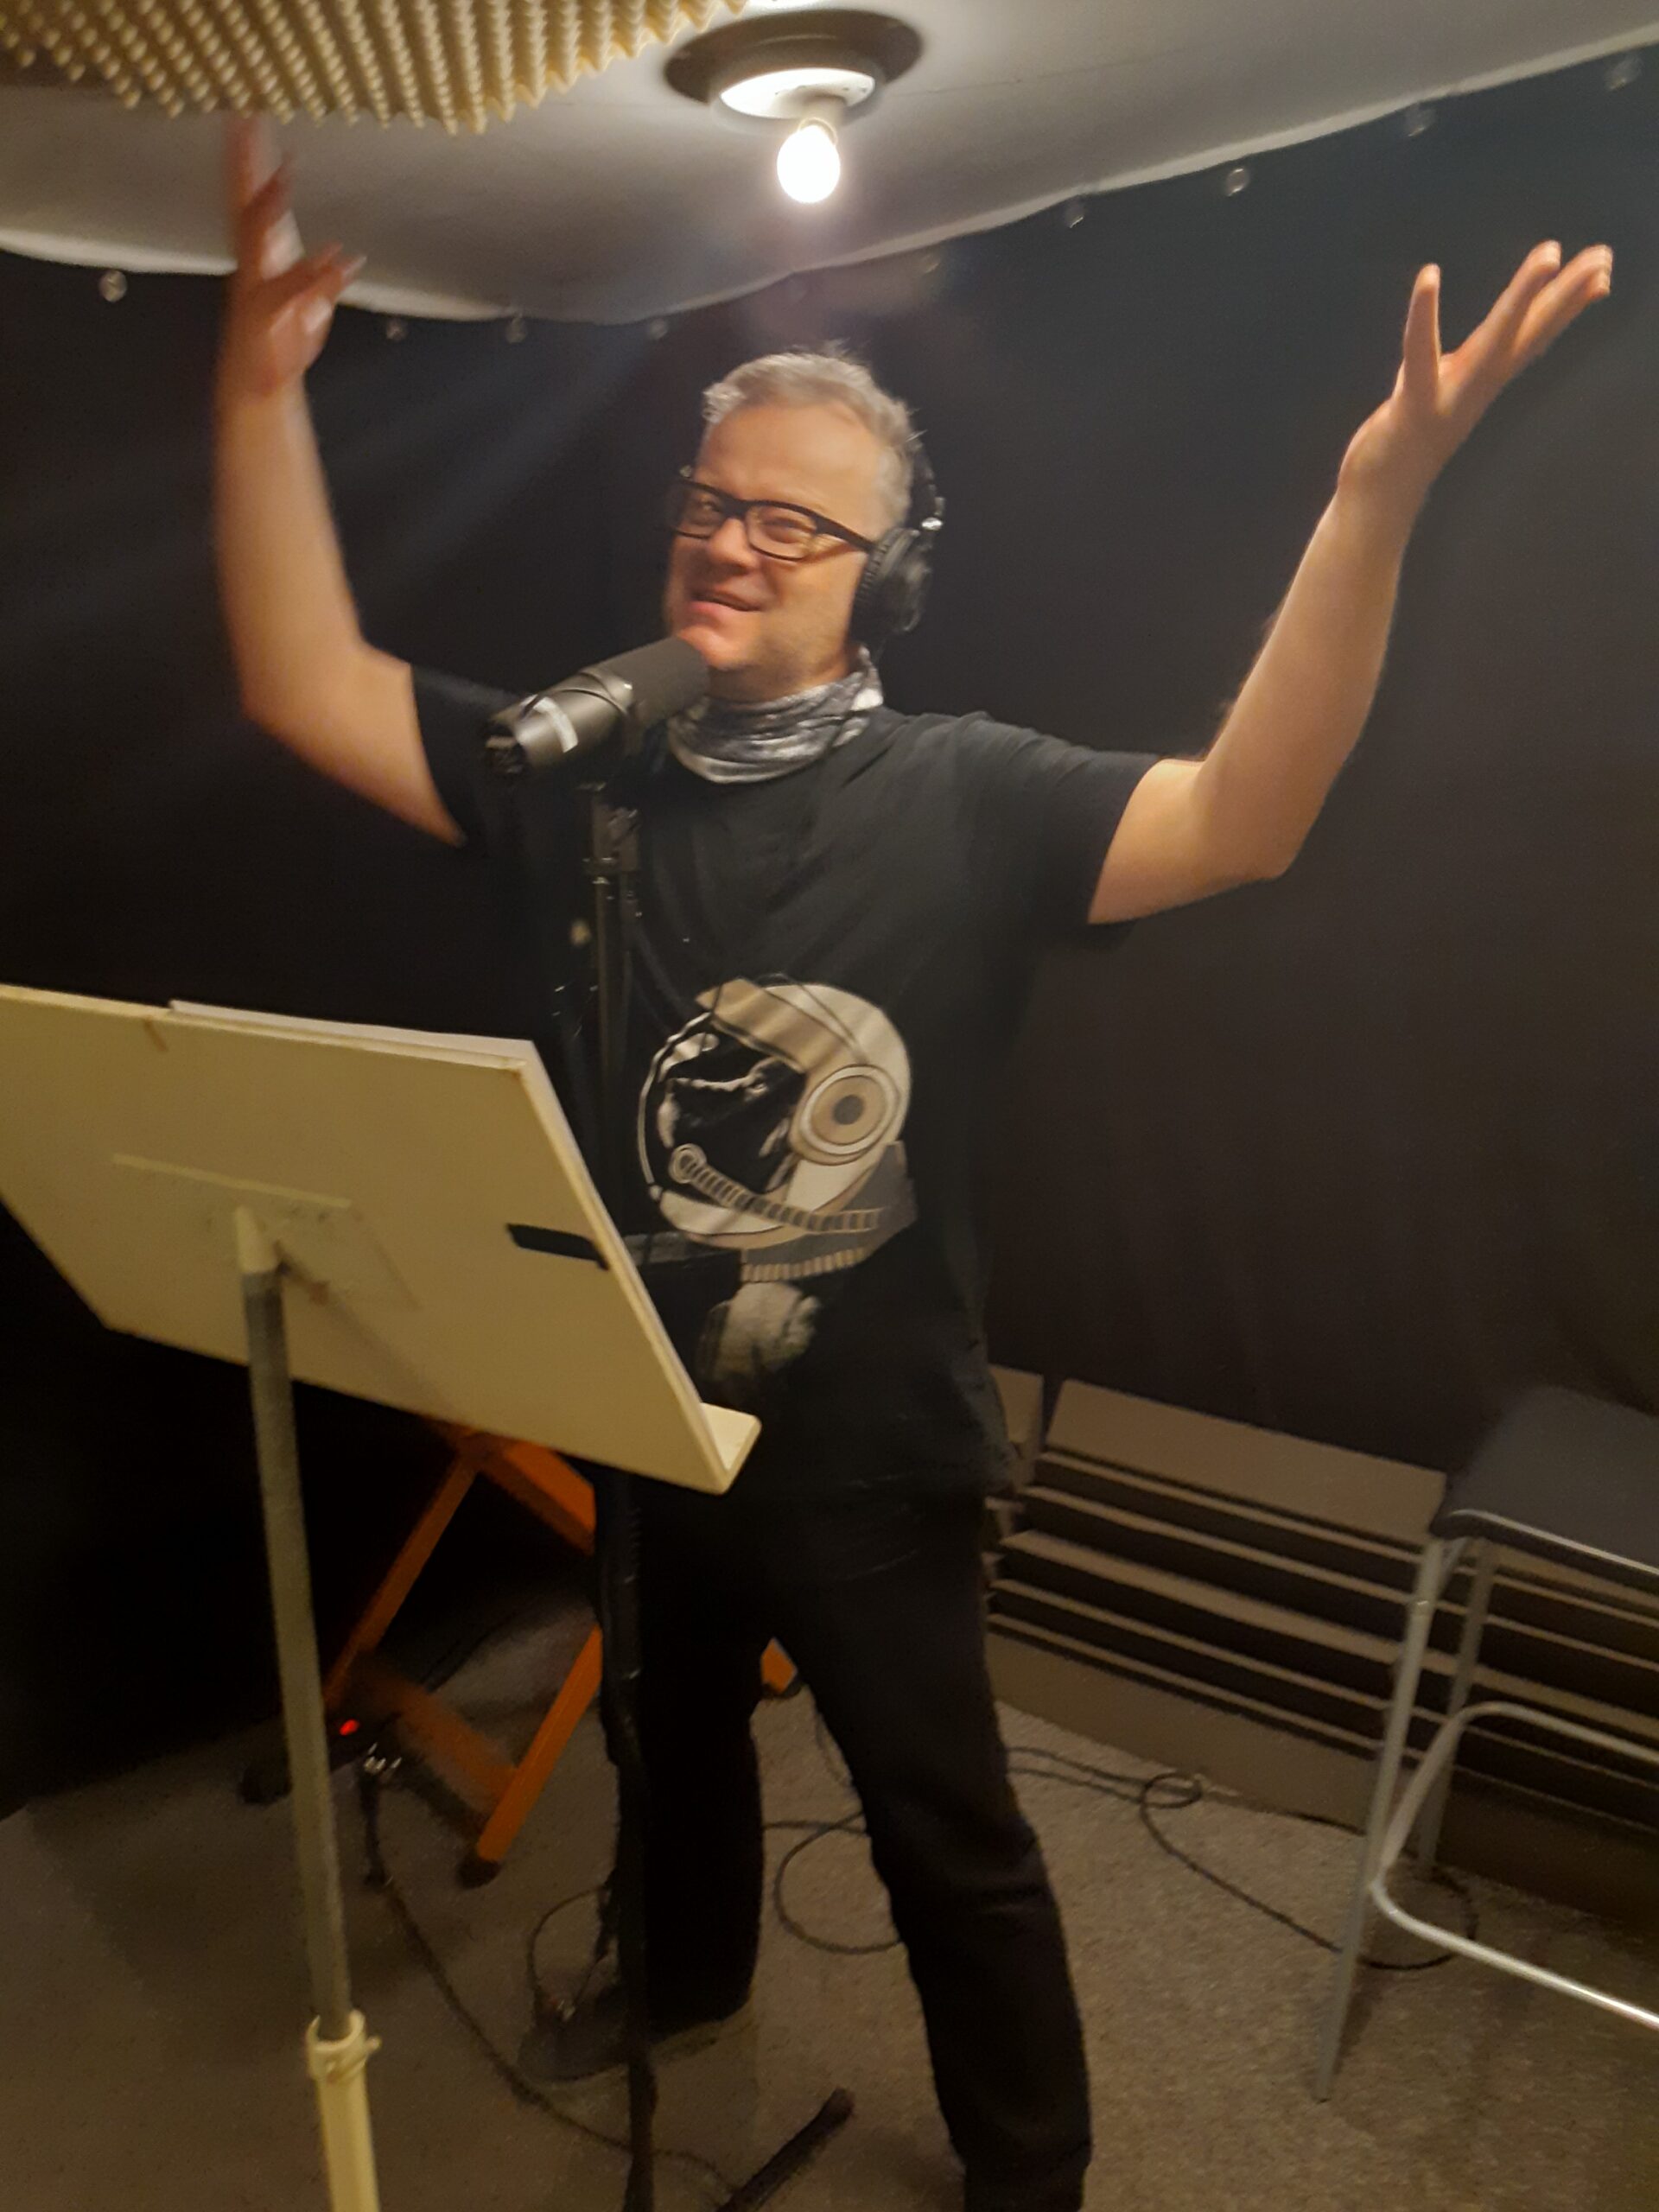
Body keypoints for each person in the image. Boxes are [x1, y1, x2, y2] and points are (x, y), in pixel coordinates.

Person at [213, 117, 1611, 2212]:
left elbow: (1246, 815)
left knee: (942, 1822)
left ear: (888, 573)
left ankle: (1029, 2164)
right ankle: (684, 1980)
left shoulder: (964, 796)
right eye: (712, 500)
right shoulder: (581, 771)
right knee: (668, 1742)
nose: (734, 539)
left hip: (867, 1453)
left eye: (794, 518)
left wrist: (1374, 499)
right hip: (642, 1409)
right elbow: (302, 679)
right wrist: (254, 394)